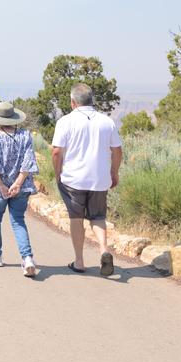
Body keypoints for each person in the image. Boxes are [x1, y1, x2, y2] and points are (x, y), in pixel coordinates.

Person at [51, 83, 123, 277]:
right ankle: (104, 250)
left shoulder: (65, 121)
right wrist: (113, 172)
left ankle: (79, 261)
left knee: (76, 219)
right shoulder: (106, 121)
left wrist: (57, 174)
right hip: (99, 179)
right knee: (98, 217)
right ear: (92, 100)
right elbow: (117, 150)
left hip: (73, 179)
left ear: (73, 102)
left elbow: (57, 152)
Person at [0, 101, 39, 278]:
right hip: (21, 187)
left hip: (0, 187)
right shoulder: (25, 135)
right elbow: (28, 161)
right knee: (18, 220)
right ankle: (27, 257)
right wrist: (18, 182)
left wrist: (2, 185)